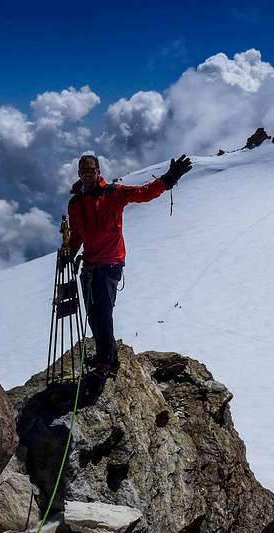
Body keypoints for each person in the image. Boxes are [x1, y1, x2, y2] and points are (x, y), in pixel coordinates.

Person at [67, 153, 192, 380]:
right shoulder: (75, 203)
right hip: (90, 265)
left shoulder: (113, 193)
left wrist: (168, 179)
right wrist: (69, 251)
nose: (88, 174)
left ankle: (106, 363)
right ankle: (107, 356)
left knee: (103, 314)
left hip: (110, 264)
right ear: (79, 173)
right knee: (94, 315)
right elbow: (77, 234)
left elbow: (143, 193)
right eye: (84, 170)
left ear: (98, 172)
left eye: (91, 170)